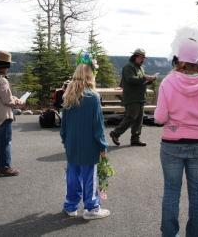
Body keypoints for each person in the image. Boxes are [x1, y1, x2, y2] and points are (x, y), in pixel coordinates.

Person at [154, 26, 198, 237]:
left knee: (171, 192)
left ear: (180, 58)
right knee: (197, 193)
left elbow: (159, 118)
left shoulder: (168, 82)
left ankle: (169, 233)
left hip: (172, 144)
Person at [60, 56, 110, 220]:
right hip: (89, 145)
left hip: (72, 144)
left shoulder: (68, 94)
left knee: (73, 175)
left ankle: (70, 206)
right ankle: (92, 207)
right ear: (91, 75)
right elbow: (98, 126)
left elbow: (64, 124)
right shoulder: (93, 97)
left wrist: (65, 140)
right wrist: (103, 146)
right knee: (90, 177)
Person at [0, 50, 24, 176]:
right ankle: (5, 167)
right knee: (6, 141)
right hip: (4, 115)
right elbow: (7, 100)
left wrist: (13, 98)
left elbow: (3, 97)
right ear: (5, 67)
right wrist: (18, 102)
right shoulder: (3, 81)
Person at [109, 48, 157, 147]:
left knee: (139, 119)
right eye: (141, 57)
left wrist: (150, 80)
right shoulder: (128, 67)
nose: (143, 59)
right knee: (130, 118)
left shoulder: (140, 68)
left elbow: (140, 82)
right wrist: (145, 77)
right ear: (136, 56)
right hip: (132, 97)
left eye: (144, 58)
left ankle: (135, 139)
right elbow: (131, 80)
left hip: (140, 97)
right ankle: (115, 133)